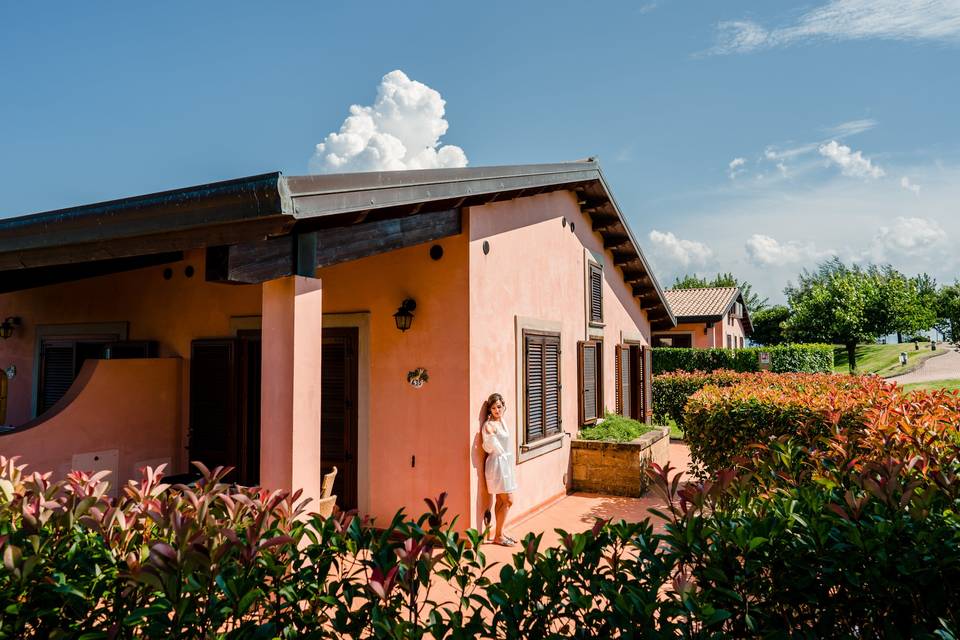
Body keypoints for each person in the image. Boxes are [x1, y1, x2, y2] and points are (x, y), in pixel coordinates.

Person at [481, 392, 518, 546]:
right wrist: (490, 433)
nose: (497, 410)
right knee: (508, 500)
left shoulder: (502, 421)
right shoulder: (489, 425)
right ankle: (499, 536)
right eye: (493, 408)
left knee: (500, 500)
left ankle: (499, 533)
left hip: (505, 464)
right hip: (496, 465)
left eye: (499, 407)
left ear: (503, 407)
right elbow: (489, 446)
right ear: (489, 410)